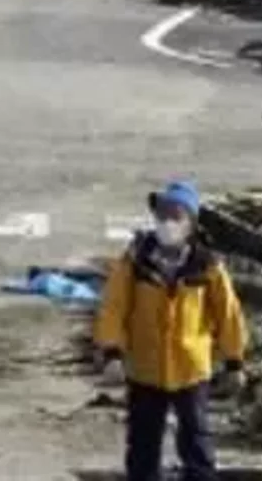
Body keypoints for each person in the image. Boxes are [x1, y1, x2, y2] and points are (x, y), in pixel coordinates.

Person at [94, 180, 248, 481]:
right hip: (145, 370)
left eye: (176, 214)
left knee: (196, 443)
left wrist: (234, 361)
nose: (167, 222)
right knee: (142, 446)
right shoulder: (136, 260)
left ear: (190, 222)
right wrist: (112, 351)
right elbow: (114, 307)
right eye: (162, 213)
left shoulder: (207, 266)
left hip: (191, 371)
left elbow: (228, 313)